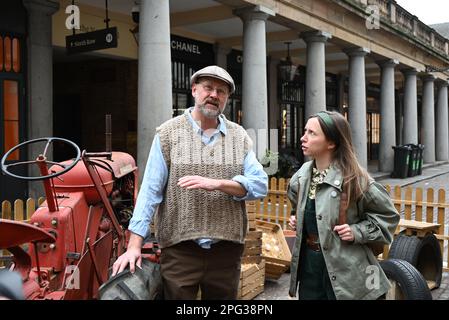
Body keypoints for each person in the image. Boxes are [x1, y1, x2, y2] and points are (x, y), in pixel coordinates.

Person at [112, 65, 268, 300]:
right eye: (208, 88)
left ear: (227, 98)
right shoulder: (168, 134)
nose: (214, 94)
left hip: (226, 251)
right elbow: (150, 191)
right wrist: (134, 245)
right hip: (180, 250)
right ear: (194, 90)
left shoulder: (239, 137)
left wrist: (218, 184)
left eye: (221, 91)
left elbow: (260, 185)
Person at [287, 110, 399, 300]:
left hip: (347, 270)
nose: (303, 138)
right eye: (305, 131)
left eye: (312, 133)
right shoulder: (301, 175)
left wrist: (357, 231)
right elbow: (296, 202)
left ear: (331, 143)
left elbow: (388, 217)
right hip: (309, 267)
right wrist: (297, 218)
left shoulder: (355, 179)